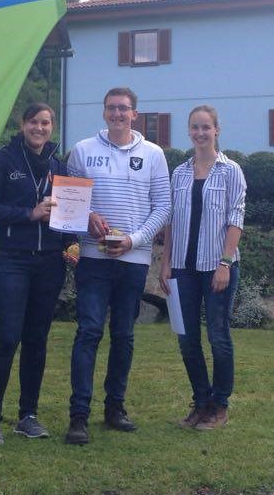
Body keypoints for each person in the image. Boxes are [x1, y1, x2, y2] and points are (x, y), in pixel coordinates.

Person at [64, 87, 171, 445]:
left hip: (133, 259)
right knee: (89, 332)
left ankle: (115, 409)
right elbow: (68, 203)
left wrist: (134, 240)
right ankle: (79, 415)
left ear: (135, 114)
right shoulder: (82, 150)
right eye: (111, 108)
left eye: (124, 109)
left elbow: (163, 206)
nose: (117, 114)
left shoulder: (153, 154)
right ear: (104, 112)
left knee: (123, 335)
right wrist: (87, 217)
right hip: (93, 259)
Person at [0, 102, 70, 447]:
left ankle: (27, 416)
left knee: (36, 340)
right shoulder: (4, 160)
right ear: (23, 124)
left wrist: (72, 244)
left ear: (52, 127)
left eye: (45, 123)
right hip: (10, 261)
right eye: (33, 122)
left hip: (49, 263)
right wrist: (29, 214)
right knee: (5, 339)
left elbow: (69, 212)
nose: (39, 128)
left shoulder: (59, 165)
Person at [159, 105, 246, 430]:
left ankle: (219, 406)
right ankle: (200, 402)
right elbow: (171, 221)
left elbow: (236, 218)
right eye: (195, 127)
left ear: (216, 131)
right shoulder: (179, 173)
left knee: (218, 337)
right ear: (189, 131)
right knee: (186, 339)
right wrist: (166, 262)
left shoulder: (230, 170)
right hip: (183, 268)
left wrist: (225, 263)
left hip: (217, 267)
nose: (200, 133)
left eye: (206, 127)